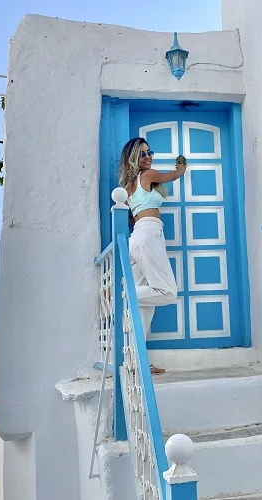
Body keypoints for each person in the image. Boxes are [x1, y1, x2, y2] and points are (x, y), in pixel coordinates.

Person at [118, 137, 187, 374]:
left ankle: (138, 363)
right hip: (148, 235)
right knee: (166, 292)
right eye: (143, 154)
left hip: (137, 237)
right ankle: (121, 294)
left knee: (145, 309)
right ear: (133, 159)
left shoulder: (129, 185)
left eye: (150, 152)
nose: (148, 157)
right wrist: (181, 167)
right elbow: (173, 176)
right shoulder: (147, 176)